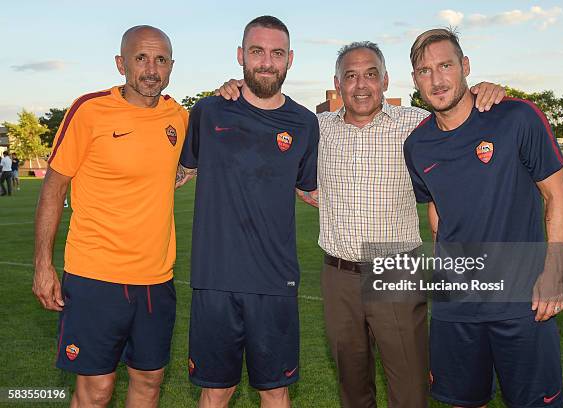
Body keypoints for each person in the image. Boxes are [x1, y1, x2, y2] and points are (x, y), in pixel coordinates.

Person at [216, 42, 505, 407]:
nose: (361, 85)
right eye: (350, 76)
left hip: (396, 265)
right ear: (337, 85)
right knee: (352, 386)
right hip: (338, 273)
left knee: (409, 386)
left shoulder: (417, 123)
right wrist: (232, 91)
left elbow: (460, 112)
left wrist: (483, 90)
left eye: (370, 74)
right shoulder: (314, 128)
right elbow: (262, 124)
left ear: (385, 81)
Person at [404, 28, 563, 408]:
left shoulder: (516, 117)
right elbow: (437, 213)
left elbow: (557, 196)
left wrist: (554, 273)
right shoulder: (417, 145)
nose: (437, 79)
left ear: (464, 66)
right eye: (425, 71)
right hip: (456, 308)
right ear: (415, 80)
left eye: (445, 65)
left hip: (522, 302)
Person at [33, 25, 188, 408]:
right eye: (141, 58)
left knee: (150, 383)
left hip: (156, 279)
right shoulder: (90, 110)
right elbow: (53, 188)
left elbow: (185, 166)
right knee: (96, 391)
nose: (151, 69)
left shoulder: (179, 117)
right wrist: (43, 265)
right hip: (95, 277)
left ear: (171, 66)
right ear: (121, 63)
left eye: (160, 60)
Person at [176, 16, 318, 408]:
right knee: (216, 391)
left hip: (274, 283)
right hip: (214, 280)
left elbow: (313, 192)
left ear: (290, 59)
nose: (267, 62)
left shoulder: (305, 123)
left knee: (274, 390)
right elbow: (175, 173)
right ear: (241, 56)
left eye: (276, 53)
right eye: (257, 52)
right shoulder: (208, 112)